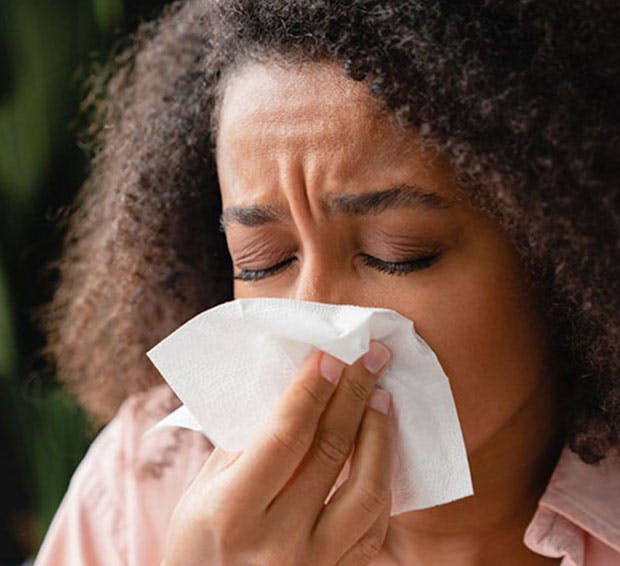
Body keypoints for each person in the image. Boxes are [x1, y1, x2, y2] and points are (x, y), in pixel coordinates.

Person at [34, 1, 619, 564]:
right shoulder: (149, 480)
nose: (315, 317)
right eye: (263, 261)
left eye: (400, 254)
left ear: (559, 248)